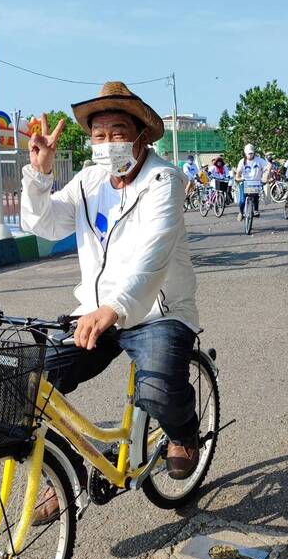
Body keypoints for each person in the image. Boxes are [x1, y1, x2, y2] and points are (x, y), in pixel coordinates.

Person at [21, 81, 201, 522]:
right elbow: (44, 223)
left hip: (159, 311)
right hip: (96, 313)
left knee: (159, 389)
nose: (107, 144)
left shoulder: (164, 181)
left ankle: (184, 433)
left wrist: (115, 307)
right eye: (98, 136)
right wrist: (40, 176)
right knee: (29, 383)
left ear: (142, 136)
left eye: (117, 132)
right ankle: (67, 472)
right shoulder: (89, 180)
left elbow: (154, 255)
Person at [235, 144, 268, 221]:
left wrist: (266, 176)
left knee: (256, 196)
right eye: (248, 153)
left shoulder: (259, 160)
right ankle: (241, 212)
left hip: (255, 183)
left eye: (251, 153)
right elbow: (238, 174)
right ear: (245, 153)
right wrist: (238, 178)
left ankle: (256, 210)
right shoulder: (242, 162)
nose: (250, 155)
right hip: (244, 182)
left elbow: (267, 168)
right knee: (242, 201)